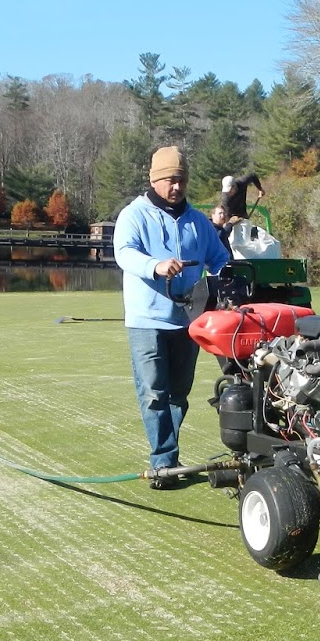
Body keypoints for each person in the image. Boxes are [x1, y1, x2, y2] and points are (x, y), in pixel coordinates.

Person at [113, 146, 231, 488]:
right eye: (169, 180)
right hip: (146, 321)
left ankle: (168, 456)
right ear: (154, 180)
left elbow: (220, 259)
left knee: (179, 393)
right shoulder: (133, 215)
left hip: (188, 321)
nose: (176, 186)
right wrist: (156, 265)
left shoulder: (198, 222)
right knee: (154, 393)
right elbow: (125, 253)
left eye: (181, 180)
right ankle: (163, 462)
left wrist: (226, 283)